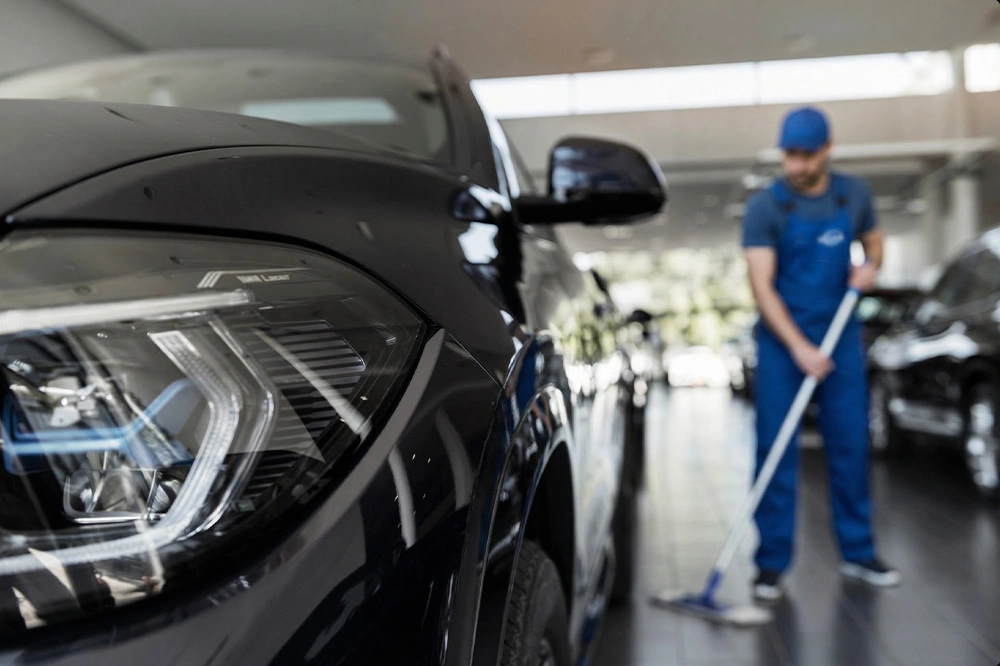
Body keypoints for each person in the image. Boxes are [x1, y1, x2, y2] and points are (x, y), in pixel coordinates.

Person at [742, 106, 900, 602]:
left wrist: (870, 267)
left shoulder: (853, 194)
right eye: (790, 155)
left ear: (828, 149)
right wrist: (799, 348)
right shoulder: (766, 206)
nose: (797, 165)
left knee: (851, 444)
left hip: (840, 339)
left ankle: (859, 552)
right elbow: (761, 287)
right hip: (781, 342)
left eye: (807, 155)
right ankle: (770, 563)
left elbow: (874, 244)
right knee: (775, 449)